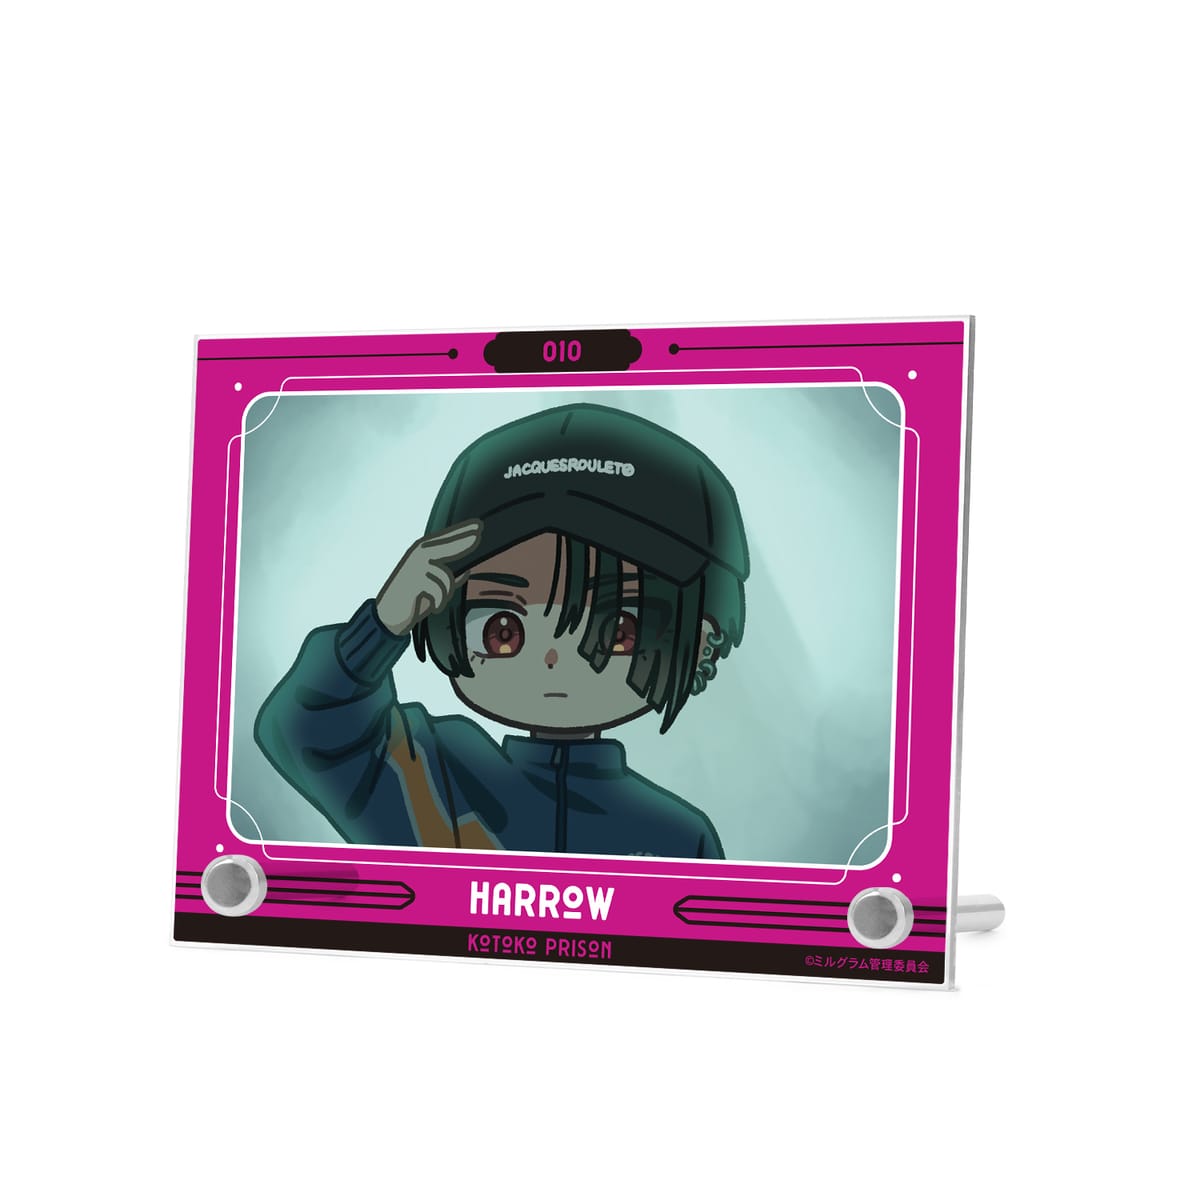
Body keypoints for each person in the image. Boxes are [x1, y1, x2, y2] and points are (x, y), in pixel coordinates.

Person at [254, 402, 749, 858]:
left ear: (701, 639)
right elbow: (303, 729)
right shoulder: (430, 774)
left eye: (617, 630)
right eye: (503, 629)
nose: (553, 657)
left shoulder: (678, 838)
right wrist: (382, 625)